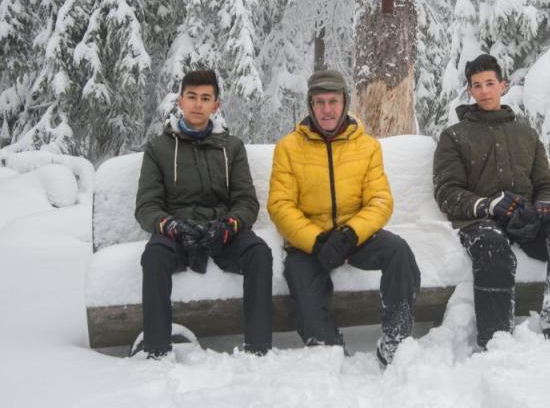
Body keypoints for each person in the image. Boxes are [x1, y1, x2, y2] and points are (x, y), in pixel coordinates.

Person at [433, 53, 550, 349]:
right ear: (470, 90)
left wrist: (545, 202)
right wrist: (487, 205)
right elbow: (447, 192)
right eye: (477, 85)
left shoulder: (525, 134)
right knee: (492, 248)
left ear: (503, 85)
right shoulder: (454, 137)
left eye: (489, 83)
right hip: (481, 221)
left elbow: (546, 183)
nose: (484, 91)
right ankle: (496, 341)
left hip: (526, 218)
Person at [267, 69, 420, 366]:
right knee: (304, 296)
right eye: (320, 102)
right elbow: (280, 205)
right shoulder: (288, 148)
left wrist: (350, 234)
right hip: (309, 242)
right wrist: (316, 241)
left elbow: (380, 201)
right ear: (310, 104)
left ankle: (396, 338)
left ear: (345, 102)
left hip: (355, 235)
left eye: (333, 101)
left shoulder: (367, 146)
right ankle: (329, 348)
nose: (327, 110)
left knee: (399, 252)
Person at [133, 69, 273, 358]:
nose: (198, 104)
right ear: (180, 101)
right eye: (192, 97)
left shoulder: (232, 147)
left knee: (259, 253)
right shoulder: (158, 148)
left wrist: (229, 225)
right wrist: (169, 225)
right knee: (154, 257)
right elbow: (146, 206)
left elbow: (246, 201)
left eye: (205, 98)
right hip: (177, 231)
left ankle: (259, 349)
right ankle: (157, 351)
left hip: (222, 230)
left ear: (216, 105)